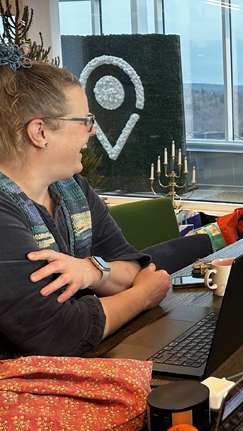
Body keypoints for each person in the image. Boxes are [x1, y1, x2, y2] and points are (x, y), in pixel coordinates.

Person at [0, 43, 171, 358]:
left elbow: (132, 266)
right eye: (84, 121)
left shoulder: (73, 187)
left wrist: (92, 271)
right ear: (40, 132)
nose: (92, 132)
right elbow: (58, 333)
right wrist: (144, 296)